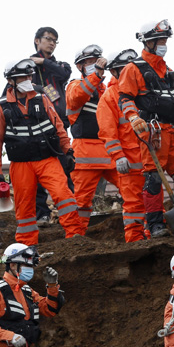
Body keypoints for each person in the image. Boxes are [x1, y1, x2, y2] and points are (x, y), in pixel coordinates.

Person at [0, 59, 86, 245]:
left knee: (64, 196)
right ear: (11, 81)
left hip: (47, 160)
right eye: (22, 77)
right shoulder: (0, 108)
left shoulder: (42, 98)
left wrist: (68, 151)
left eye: (28, 76)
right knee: (24, 209)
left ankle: (75, 238)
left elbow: (58, 126)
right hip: (20, 165)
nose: (27, 79)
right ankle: (26, 247)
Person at [119, 19, 174, 238]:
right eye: (159, 40)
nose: (163, 43)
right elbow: (124, 98)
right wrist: (133, 117)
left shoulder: (168, 70)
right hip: (154, 133)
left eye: (164, 39)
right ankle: (155, 225)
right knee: (153, 180)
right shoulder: (133, 69)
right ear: (148, 42)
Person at [96, 49, 147, 242]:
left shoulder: (143, 90)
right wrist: (118, 156)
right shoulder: (109, 97)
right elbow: (107, 132)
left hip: (149, 160)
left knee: (153, 203)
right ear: (114, 72)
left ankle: (153, 239)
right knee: (134, 206)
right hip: (130, 164)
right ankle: (134, 242)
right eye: (123, 69)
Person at [67, 44, 118, 227]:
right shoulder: (74, 86)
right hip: (85, 155)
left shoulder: (105, 89)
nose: (93, 65)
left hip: (111, 152)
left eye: (96, 62)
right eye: (88, 62)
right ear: (80, 66)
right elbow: (78, 96)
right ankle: (75, 239)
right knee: (81, 203)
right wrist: (96, 74)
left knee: (133, 190)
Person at [30, 27, 73, 227]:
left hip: (59, 124)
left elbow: (65, 73)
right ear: (37, 40)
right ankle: (42, 214)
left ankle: (73, 212)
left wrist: (45, 62)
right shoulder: (26, 65)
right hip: (36, 124)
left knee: (65, 166)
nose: (52, 43)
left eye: (55, 40)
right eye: (48, 39)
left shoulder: (58, 65)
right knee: (38, 169)